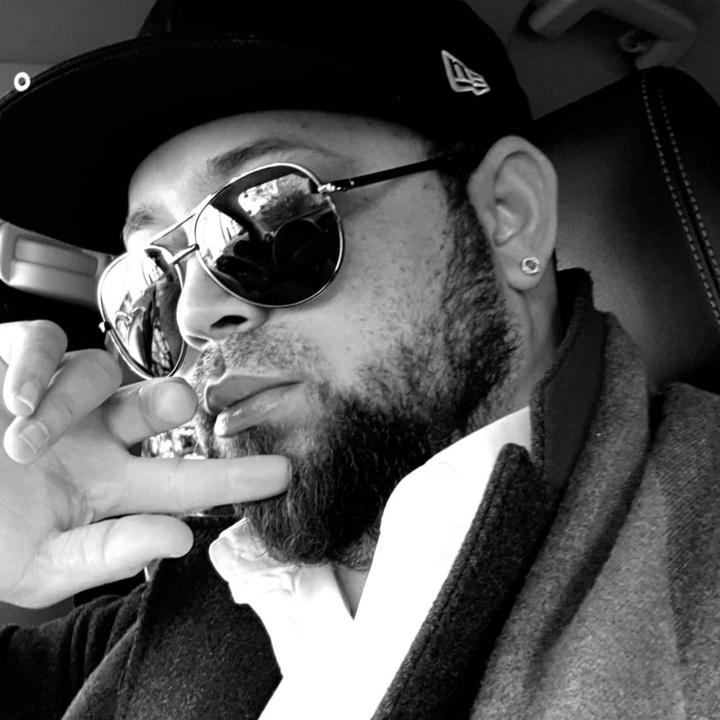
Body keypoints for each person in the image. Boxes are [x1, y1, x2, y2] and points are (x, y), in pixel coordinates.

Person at [0, 1, 719, 718]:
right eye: (150, 276)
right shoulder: (182, 603)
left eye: (267, 220)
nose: (192, 314)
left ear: (511, 214)